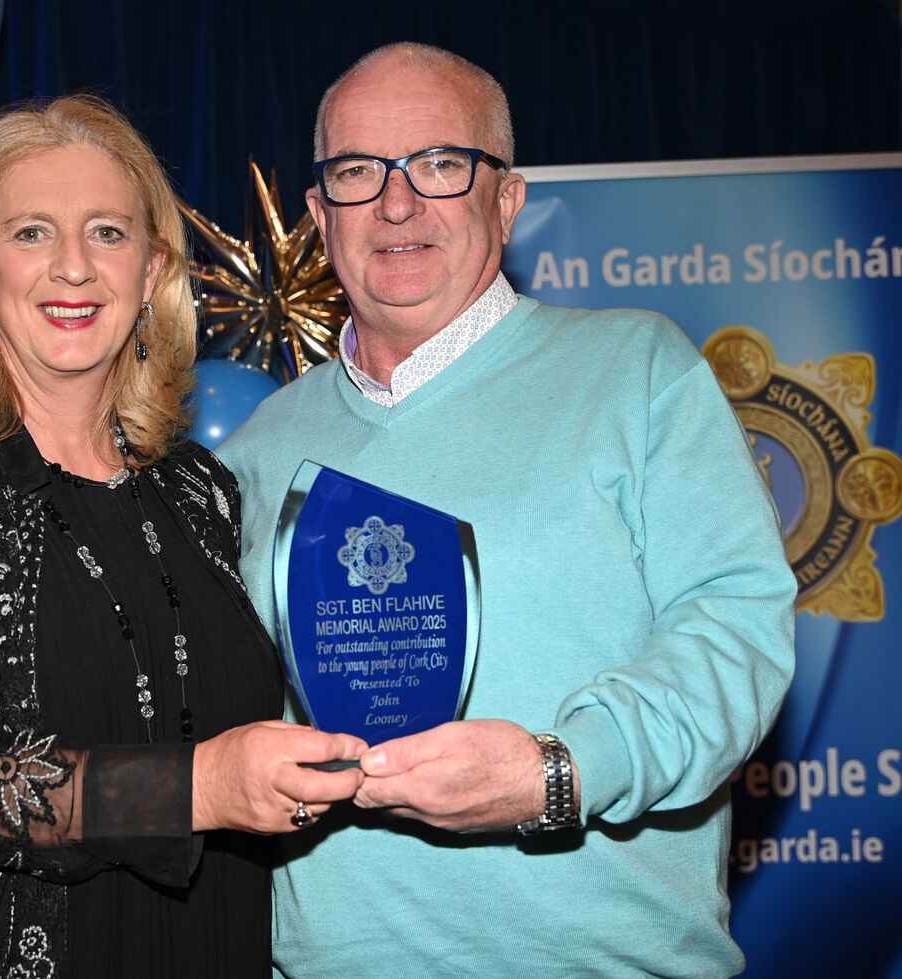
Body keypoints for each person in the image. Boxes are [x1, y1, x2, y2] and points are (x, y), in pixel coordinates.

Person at [217, 43, 796, 977]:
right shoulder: (252, 454)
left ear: (507, 197)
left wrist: (557, 771)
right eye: (358, 172)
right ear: (320, 215)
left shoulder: (638, 374)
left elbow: (735, 627)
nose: (396, 203)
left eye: (442, 164)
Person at [0, 94, 365, 978]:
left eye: (106, 232)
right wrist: (200, 784)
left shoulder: (199, 493)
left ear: (151, 270)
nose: (72, 267)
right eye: (29, 233)